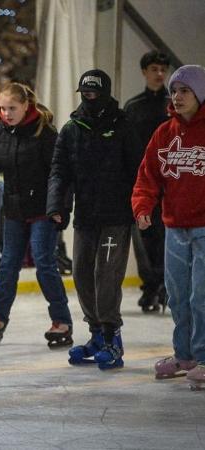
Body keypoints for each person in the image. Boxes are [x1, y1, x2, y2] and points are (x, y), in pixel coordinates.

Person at [47, 69, 142, 371]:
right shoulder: (72, 128)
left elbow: (139, 169)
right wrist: (56, 205)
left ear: (104, 93)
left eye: (93, 93)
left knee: (107, 276)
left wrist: (141, 208)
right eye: (84, 93)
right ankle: (97, 334)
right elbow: (59, 171)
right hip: (86, 215)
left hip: (116, 215)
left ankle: (113, 336)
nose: (88, 98)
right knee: (82, 274)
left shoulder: (124, 125)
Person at [0, 83, 73, 348]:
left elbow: (59, 173)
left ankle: (61, 320)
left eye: (12, 108)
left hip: (44, 210)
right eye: (3, 108)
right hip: (15, 209)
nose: (6, 113)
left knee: (44, 261)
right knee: (8, 264)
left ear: (26, 105)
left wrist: (60, 208)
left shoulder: (45, 132)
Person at [132, 65, 205, 386]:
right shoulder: (164, 133)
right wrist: (143, 205)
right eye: (174, 91)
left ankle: (203, 358)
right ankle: (185, 354)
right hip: (174, 228)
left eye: (185, 91)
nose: (177, 97)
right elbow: (148, 176)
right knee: (177, 295)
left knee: (201, 296)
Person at [124, 50, 172, 313]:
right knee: (143, 237)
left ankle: (164, 286)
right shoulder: (133, 107)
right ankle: (151, 286)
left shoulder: (174, 104)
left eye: (163, 69)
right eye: (154, 69)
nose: (159, 74)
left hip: (171, 184)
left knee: (165, 237)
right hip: (142, 182)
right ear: (144, 71)